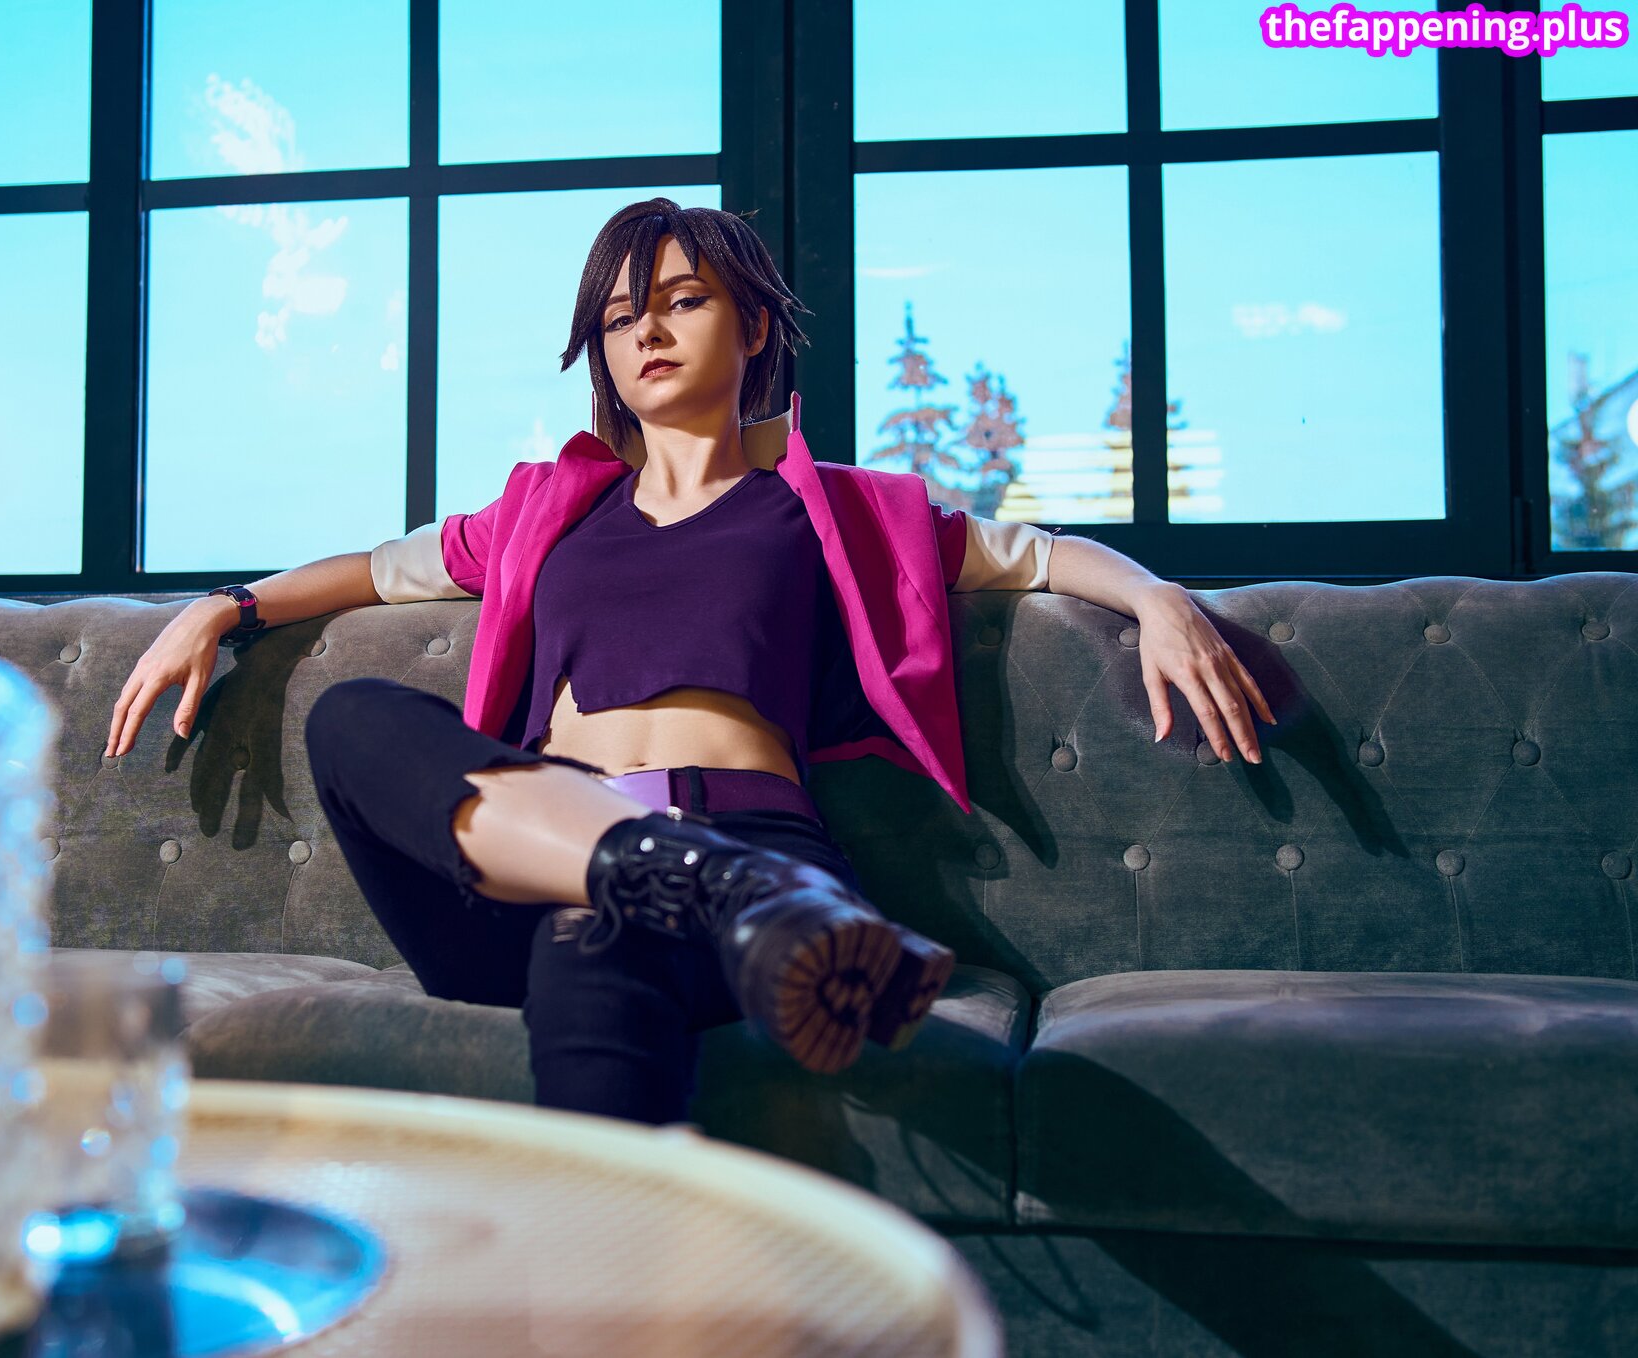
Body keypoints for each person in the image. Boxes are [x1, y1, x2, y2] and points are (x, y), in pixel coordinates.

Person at [105, 198, 1276, 1128]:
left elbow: (1037, 555)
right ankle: (674, 875)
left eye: (681, 301)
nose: (648, 333)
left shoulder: (832, 508)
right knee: (352, 716)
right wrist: (225, 606)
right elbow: (376, 568)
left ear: (754, 327)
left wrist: (1157, 597)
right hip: (539, 862)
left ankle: (669, 917)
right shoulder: (549, 509)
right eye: (622, 318)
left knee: (601, 934)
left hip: (752, 847)